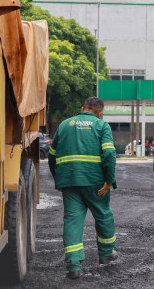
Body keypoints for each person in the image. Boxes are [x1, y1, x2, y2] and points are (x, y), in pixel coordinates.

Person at [47, 96, 118, 279]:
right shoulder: (102, 126)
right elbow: (109, 153)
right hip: (95, 181)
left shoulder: (64, 125)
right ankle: (106, 254)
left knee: (72, 221)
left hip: (69, 181)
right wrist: (109, 180)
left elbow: (52, 156)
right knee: (103, 215)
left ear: (82, 108)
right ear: (99, 113)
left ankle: (73, 266)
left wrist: (60, 180)